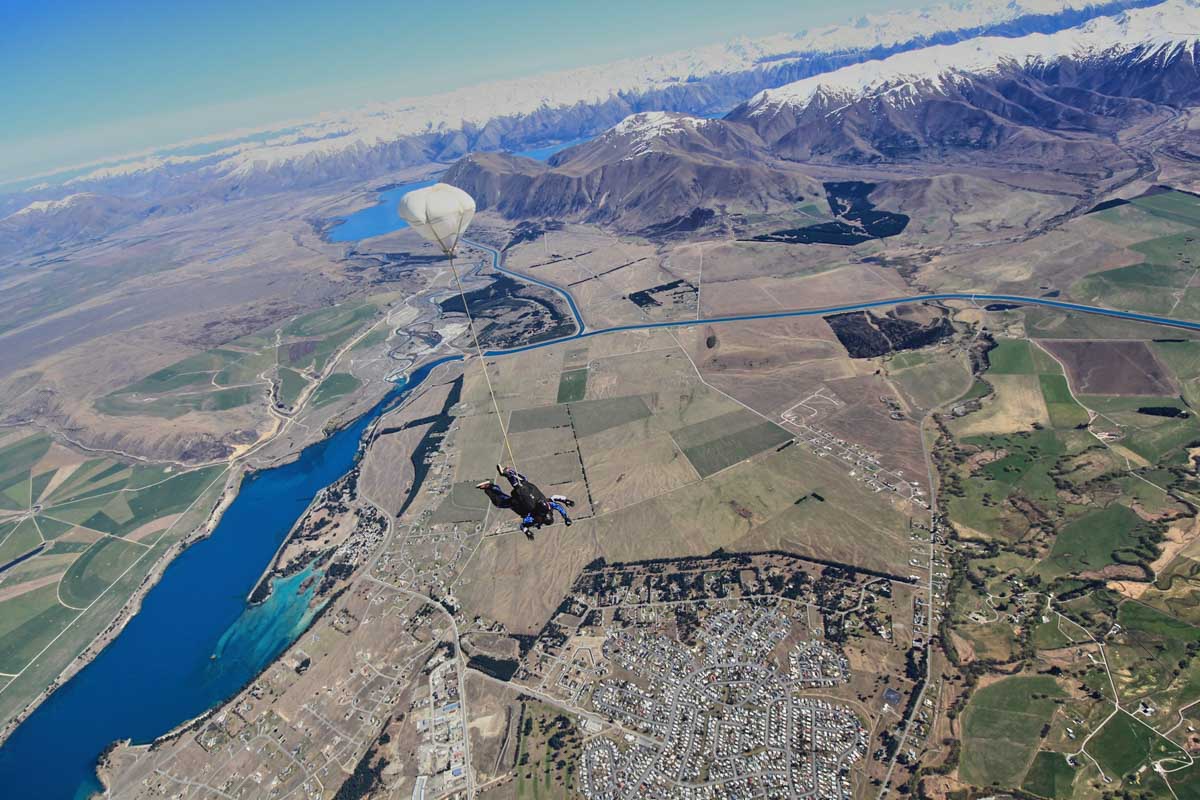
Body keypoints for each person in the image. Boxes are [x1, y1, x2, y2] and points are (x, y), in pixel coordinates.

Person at [477, 465, 574, 539]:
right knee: (521, 485)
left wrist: (527, 531)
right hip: (522, 499)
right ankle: (505, 475)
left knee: (504, 498)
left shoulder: (535, 518)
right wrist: (566, 509)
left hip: (519, 504)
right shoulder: (547, 507)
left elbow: (523, 525)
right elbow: (557, 503)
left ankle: (493, 485)